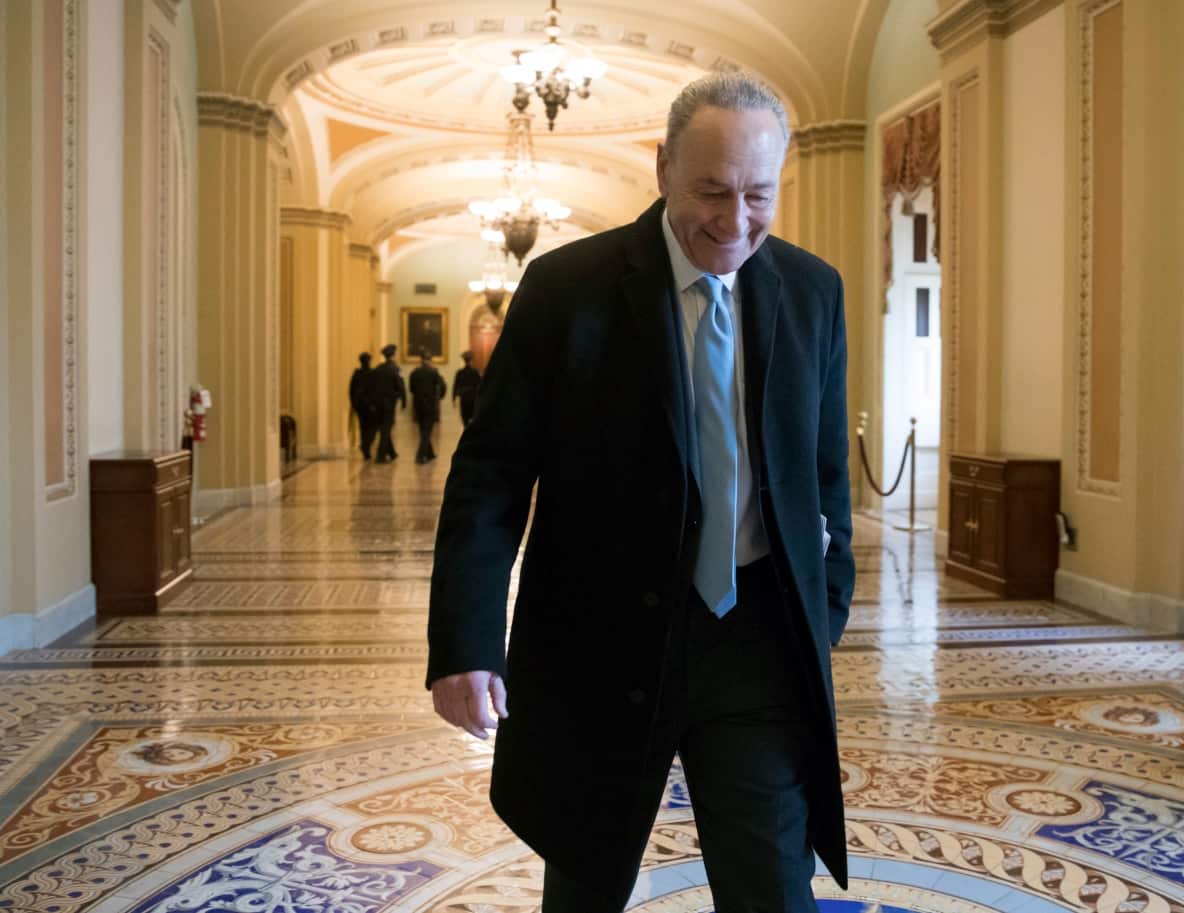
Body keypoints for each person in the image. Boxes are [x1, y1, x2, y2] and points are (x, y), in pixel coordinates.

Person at [427, 71, 854, 913]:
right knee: (585, 883)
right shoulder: (567, 290)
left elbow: (826, 474)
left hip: (756, 643)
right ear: (662, 168)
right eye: (711, 191)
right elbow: (492, 474)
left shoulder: (812, 291)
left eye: (758, 195)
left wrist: (825, 605)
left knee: (774, 887)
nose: (735, 221)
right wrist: (467, 639)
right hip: (602, 640)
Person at [368, 343, 406, 463]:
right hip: (389, 404)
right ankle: (381, 455)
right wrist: (403, 401)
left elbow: (372, 387)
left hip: (378, 404)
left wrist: (372, 402)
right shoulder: (395, 369)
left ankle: (392, 453)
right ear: (393, 355)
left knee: (384, 428)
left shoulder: (378, 369)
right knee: (386, 429)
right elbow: (400, 386)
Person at [409, 348, 447, 464]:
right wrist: (439, 398)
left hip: (418, 405)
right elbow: (442, 386)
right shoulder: (434, 372)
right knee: (427, 430)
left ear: (421, 359)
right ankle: (420, 456)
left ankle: (430, 453)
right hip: (430, 405)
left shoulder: (415, 372)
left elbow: (411, 389)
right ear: (430, 359)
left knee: (423, 429)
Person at [349, 352, 377, 460]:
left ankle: (365, 446)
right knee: (372, 427)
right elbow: (375, 391)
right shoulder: (372, 374)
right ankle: (366, 445)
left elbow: (351, 390)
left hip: (360, 405)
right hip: (370, 405)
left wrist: (353, 403)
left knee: (363, 427)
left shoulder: (356, 374)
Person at [452, 350, 481, 427]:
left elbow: (455, 386)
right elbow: (480, 385)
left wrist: (453, 398)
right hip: (473, 398)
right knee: (472, 418)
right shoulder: (475, 372)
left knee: (464, 418)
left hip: (464, 398)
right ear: (471, 360)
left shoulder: (460, 372)